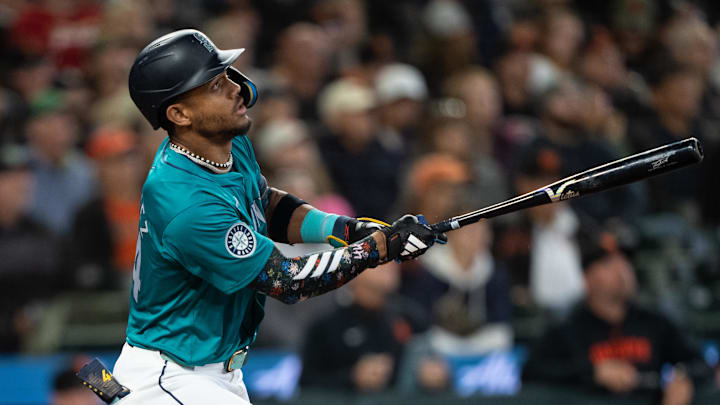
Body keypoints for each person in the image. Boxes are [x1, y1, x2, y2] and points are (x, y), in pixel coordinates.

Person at [108, 29, 443, 405]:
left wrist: (346, 229)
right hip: (171, 376)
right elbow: (286, 280)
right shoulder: (185, 203)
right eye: (216, 84)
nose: (237, 88)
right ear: (179, 113)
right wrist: (374, 251)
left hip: (212, 371)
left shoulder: (225, 145)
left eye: (229, 76)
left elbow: (265, 204)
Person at [523, 229, 712, 404]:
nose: (621, 269)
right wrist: (593, 372)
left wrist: (685, 379)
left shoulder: (654, 321)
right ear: (586, 278)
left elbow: (700, 364)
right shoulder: (567, 328)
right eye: (608, 263)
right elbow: (531, 372)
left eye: (625, 260)